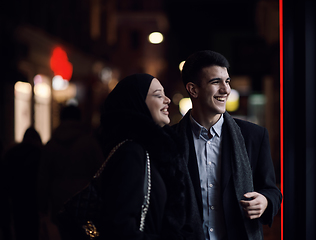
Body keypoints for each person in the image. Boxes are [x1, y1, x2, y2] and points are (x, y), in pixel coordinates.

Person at [173, 50, 282, 240]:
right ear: (193, 89)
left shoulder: (254, 136)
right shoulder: (169, 140)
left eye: (227, 81)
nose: (226, 90)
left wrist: (265, 201)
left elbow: (272, 191)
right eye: (216, 82)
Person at [98, 73, 204, 239]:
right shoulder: (131, 154)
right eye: (158, 95)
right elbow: (120, 230)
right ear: (137, 102)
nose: (167, 100)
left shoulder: (155, 152)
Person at [38, 105, 104, 239]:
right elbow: (101, 171)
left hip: (58, 200)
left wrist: (42, 206)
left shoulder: (52, 145)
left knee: (64, 233)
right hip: (84, 200)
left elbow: (43, 177)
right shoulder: (89, 142)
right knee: (87, 234)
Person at [3, 127, 43, 240]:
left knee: (20, 227)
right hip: (33, 197)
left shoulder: (12, 152)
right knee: (33, 228)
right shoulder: (40, 153)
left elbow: (5, 178)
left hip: (17, 197)